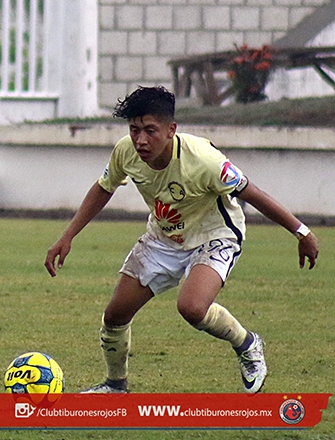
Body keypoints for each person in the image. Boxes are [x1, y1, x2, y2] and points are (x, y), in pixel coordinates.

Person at [44, 86, 318, 394]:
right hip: (163, 238)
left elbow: (254, 194)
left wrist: (301, 232)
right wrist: (67, 236)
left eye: (150, 131)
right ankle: (115, 386)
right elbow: (104, 187)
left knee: (192, 308)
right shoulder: (126, 151)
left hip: (215, 236)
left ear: (171, 129)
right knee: (115, 316)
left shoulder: (204, 160)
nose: (140, 140)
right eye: (134, 130)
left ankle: (247, 343)